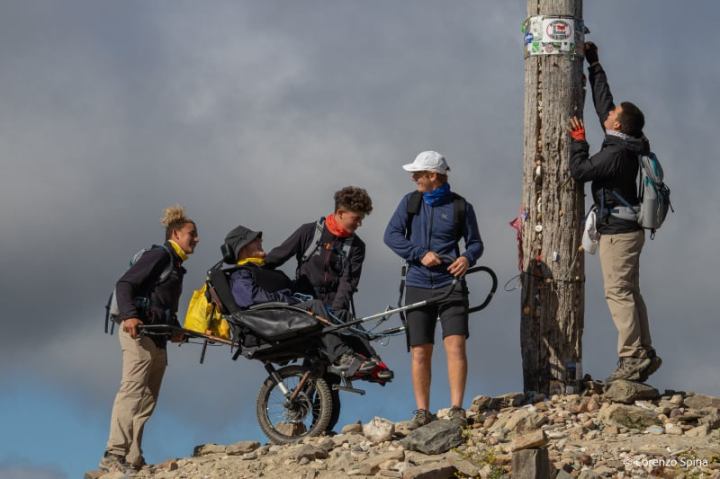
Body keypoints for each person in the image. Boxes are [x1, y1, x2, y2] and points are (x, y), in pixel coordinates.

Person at [568, 41, 661, 383]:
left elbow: (579, 171)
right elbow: (604, 102)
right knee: (630, 292)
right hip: (629, 229)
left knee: (618, 293)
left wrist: (578, 141)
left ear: (619, 126)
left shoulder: (614, 155)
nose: (606, 115)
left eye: (612, 116)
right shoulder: (627, 142)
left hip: (617, 235)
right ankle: (644, 353)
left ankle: (632, 356)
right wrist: (595, 65)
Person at [384, 151, 483, 428]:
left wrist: (466, 259)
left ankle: (456, 409)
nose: (413, 177)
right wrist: (419, 253)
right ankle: (422, 411)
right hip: (417, 283)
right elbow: (390, 236)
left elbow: (475, 244)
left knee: (455, 345)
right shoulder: (410, 202)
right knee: (420, 350)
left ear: (433, 176)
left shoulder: (461, 206)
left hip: (451, 285)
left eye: (418, 174)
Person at [100, 205, 199, 473]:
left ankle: (132, 457)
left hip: (157, 338)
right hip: (138, 333)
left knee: (147, 400)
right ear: (176, 234)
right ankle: (114, 453)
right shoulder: (159, 255)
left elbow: (163, 304)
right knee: (132, 390)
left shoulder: (175, 265)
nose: (197, 239)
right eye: (193, 233)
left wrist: (176, 328)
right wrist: (130, 315)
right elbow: (124, 284)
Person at [224, 224, 391, 378]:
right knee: (316, 306)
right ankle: (342, 358)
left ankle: (374, 362)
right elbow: (248, 298)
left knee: (341, 314)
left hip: (286, 313)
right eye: (255, 240)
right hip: (269, 322)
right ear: (243, 247)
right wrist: (287, 300)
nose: (260, 241)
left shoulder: (266, 272)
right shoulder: (240, 273)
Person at [264, 186, 373, 320]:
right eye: (356, 218)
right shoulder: (309, 232)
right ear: (340, 213)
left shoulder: (357, 247)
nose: (359, 224)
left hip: (334, 308)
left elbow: (348, 283)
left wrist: (334, 313)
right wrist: (248, 269)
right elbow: (277, 256)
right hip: (304, 303)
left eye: (361, 219)